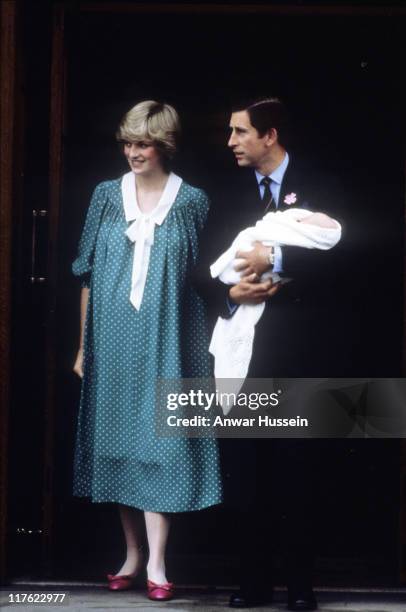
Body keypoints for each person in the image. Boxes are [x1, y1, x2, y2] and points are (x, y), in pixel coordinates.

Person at [194, 97, 345, 610]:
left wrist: (275, 256)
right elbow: (201, 269)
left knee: (297, 476)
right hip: (242, 361)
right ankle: (252, 584)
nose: (230, 142)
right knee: (248, 475)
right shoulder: (225, 191)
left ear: (270, 135)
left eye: (239, 132)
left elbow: (355, 257)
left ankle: (301, 591)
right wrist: (228, 295)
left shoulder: (323, 183)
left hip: (300, 355)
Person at [72, 100, 222, 602]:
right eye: (128, 143)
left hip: (171, 337)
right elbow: (88, 274)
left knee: (161, 440)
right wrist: (81, 346)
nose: (133, 152)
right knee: (118, 441)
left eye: (143, 143)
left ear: (165, 145)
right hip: (112, 337)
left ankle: (158, 562)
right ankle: (133, 555)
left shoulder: (192, 201)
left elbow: (204, 277)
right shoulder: (105, 197)